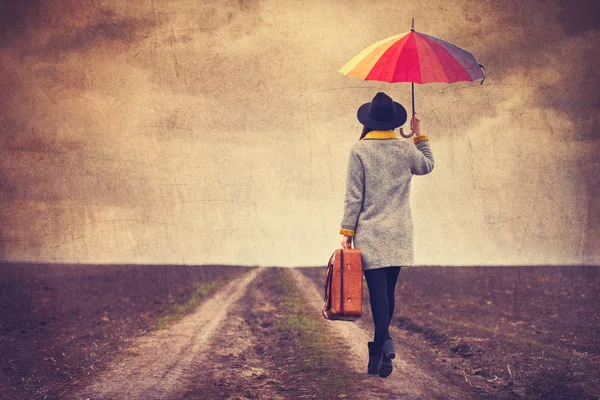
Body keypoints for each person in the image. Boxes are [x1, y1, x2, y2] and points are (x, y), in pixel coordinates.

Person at [339, 92, 434, 378]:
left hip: (370, 234)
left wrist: (347, 232)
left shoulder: (359, 150)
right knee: (388, 292)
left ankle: (384, 342)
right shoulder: (406, 150)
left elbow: (353, 197)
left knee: (377, 292)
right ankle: (380, 349)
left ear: (369, 120)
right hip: (400, 232)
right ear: (394, 121)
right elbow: (427, 165)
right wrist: (419, 136)